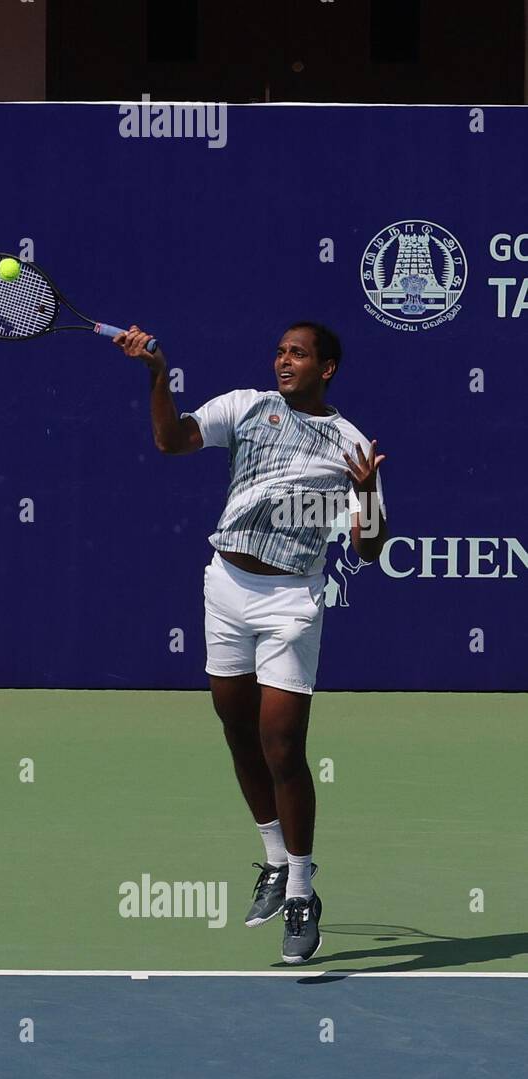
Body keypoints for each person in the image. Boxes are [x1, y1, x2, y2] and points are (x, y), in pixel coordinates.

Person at [115, 322, 388, 963]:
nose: (284, 361)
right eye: (280, 352)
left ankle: (301, 890)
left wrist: (368, 490)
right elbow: (171, 440)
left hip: (291, 603)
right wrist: (157, 374)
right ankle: (273, 858)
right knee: (237, 731)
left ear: (327, 369)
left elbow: (370, 549)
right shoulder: (245, 407)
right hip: (227, 590)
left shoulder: (351, 444)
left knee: (282, 745)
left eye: (299, 354)